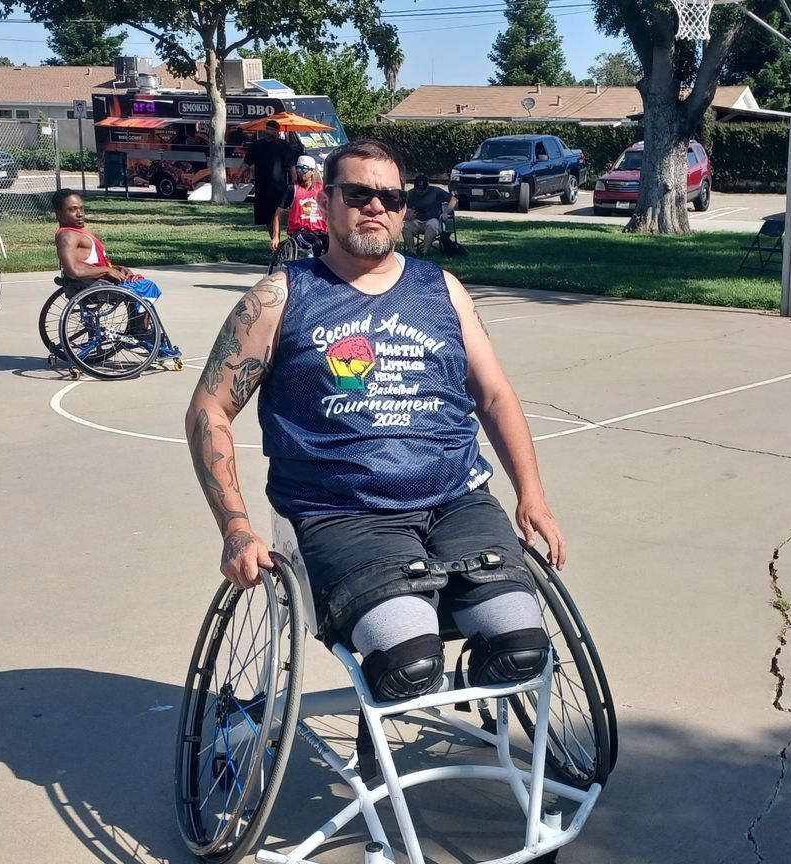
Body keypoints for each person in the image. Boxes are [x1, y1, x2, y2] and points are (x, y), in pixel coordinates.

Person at [185, 139, 565, 713]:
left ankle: (473, 682)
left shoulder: (442, 289)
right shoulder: (280, 297)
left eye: (390, 196)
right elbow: (208, 410)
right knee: (408, 659)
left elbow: (494, 393)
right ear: (327, 200)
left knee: (523, 650)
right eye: (359, 193)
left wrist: (533, 497)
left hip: (458, 499)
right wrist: (235, 527)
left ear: (404, 208)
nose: (376, 207)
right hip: (342, 510)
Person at [52, 189, 179, 358]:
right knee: (147, 286)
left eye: (82, 208)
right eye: (72, 209)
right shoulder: (67, 235)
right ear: (59, 214)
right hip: (92, 287)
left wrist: (116, 267)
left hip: (95, 283)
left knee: (137, 284)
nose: (80, 214)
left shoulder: (76, 232)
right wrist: (106, 270)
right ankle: (140, 332)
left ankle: (139, 330)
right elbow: (73, 270)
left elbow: (88, 263)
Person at [247, 119, 304, 251]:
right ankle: (273, 239)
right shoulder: (258, 145)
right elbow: (247, 161)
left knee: (275, 213)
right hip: (261, 185)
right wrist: (239, 174)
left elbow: (291, 166)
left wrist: (295, 183)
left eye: (271, 129)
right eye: (267, 129)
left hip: (278, 186)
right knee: (265, 215)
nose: (268, 132)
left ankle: (276, 239)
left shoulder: (284, 146)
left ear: (277, 132)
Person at [403, 175, 457, 256]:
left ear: (427, 186)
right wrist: (406, 214)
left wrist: (446, 212)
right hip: (416, 220)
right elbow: (401, 208)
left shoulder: (436, 191)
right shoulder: (410, 194)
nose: (420, 192)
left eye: (423, 190)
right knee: (405, 227)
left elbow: (454, 200)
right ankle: (412, 251)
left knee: (431, 225)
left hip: (434, 220)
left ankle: (425, 252)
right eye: (418, 189)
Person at [285, 154, 328, 256]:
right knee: (316, 244)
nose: (300, 172)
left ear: (312, 171)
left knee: (332, 245)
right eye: (298, 169)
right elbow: (279, 211)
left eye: (304, 169)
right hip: (299, 231)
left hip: (319, 230)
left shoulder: (321, 189)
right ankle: (313, 269)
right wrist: (275, 237)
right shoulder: (293, 188)